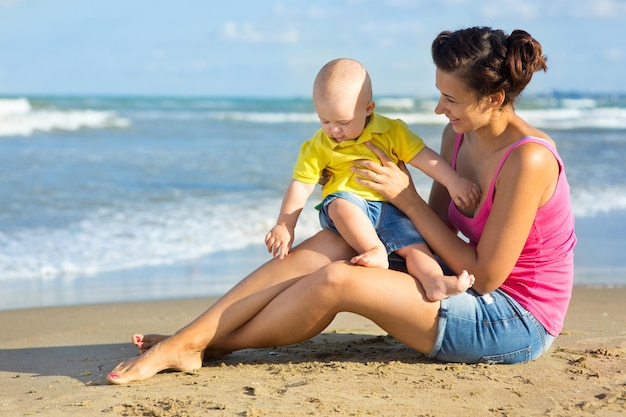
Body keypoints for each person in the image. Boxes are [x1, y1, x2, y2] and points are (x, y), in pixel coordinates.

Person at [107, 26, 576, 385]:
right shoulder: (459, 134)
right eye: (439, 93)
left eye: (450, 98)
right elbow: (433, 230)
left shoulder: (529, 159)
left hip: (512, 318)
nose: (438, 109)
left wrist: (406, 196)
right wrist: (376, 198)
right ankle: (193, 337)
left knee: (338, 279)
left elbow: (488, 275)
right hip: (459, 283)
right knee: (336, 235)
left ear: (494, 98)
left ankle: (202, 343)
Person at [265, 58, 480, 302]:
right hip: (348, 206)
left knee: (415, 247)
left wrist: (453, 181)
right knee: (340, 204)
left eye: (343, 122)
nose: (334, 130)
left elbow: (422, 157)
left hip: (391, 206)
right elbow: (301, 185)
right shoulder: (319, 145)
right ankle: (373, 250)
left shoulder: (391, 131)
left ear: (369, 109)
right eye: (325, 121)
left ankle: (435, 282)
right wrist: (285, 223)